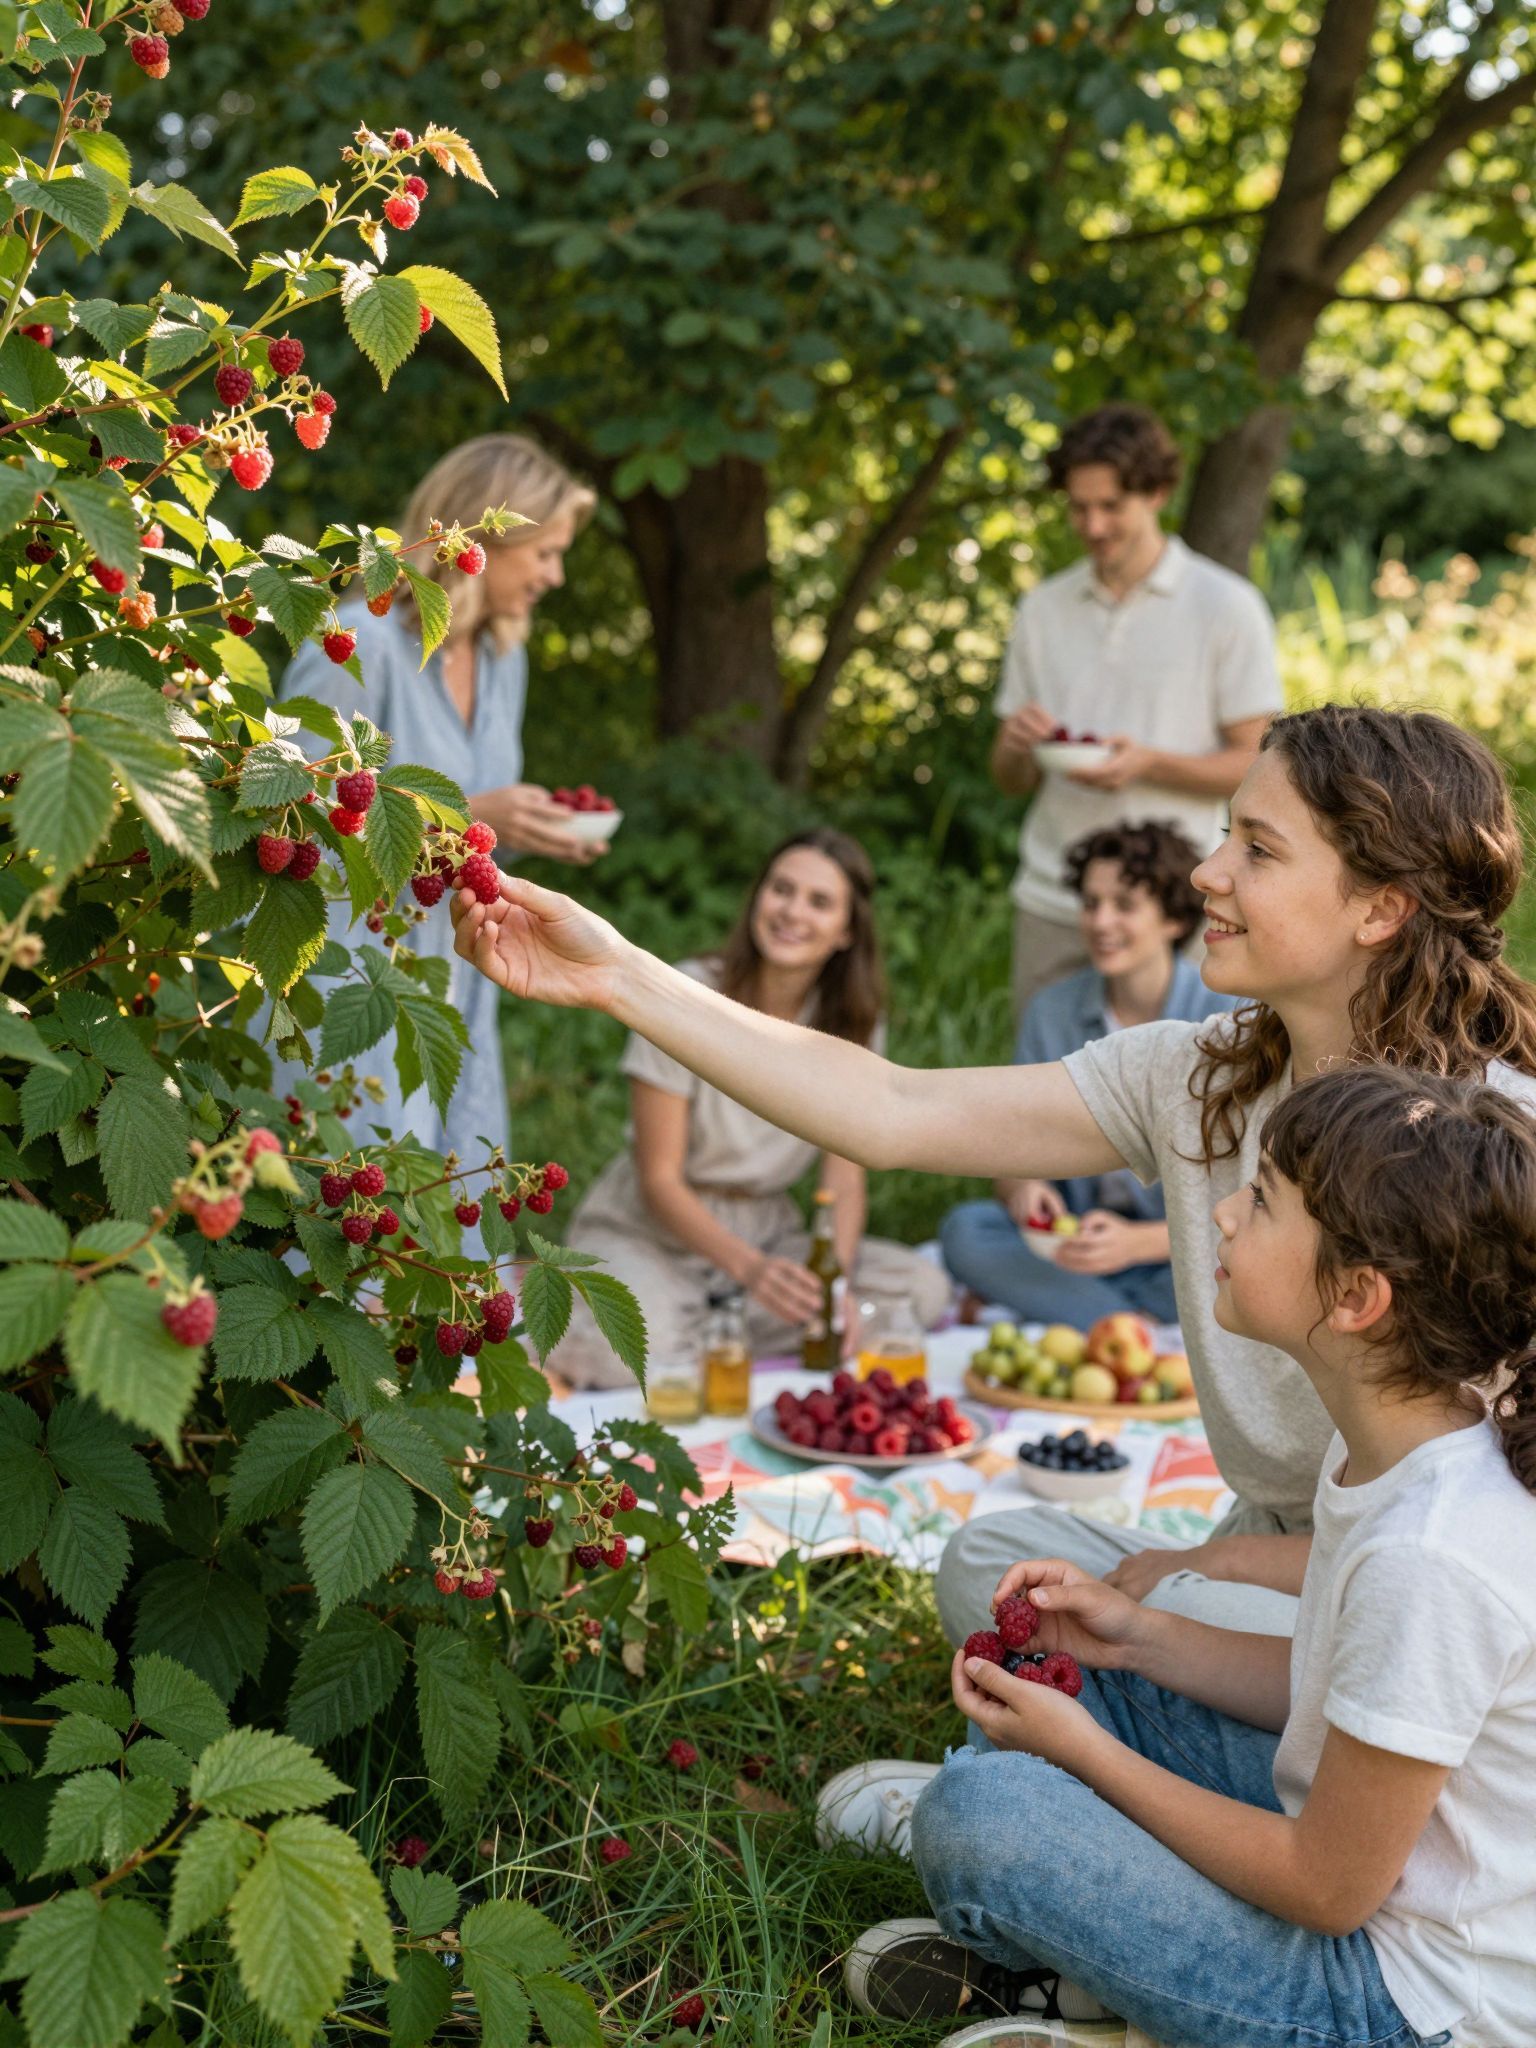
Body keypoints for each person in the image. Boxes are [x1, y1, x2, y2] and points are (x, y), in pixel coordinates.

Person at [447, 701, 1536, 1634]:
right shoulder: (1196, 1076)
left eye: (1257, 847)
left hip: (1413, 1598)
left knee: (1146, 1626)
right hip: (1258, 1558)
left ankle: (1178, 1765)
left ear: (1381, 906)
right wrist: (619, 976)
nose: (1207, 871)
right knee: (992, 1561)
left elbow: (1474, 1532)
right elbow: (892, 1107)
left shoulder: (1488, 1144)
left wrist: (1204, 1574)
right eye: (1224, 835)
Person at [841, 1066, 1536, 2048]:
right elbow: (1319, 1683)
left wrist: (1087, 1754)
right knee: (1074, 1678)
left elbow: (1326, 1889)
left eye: (1264, 1202)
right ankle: (1092, 1972)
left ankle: (1104, 1997)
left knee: (982, 1809)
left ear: (1355, 1297)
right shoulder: (1394, 1441)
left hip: (1399, 2002)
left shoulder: (1434, 1551)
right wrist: (1139, 1640)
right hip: (1361, 1868)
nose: (1222, 1210)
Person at [276, 433, 599, 1163]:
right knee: (352, 1206)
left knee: (449, 1205)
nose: (556, 576)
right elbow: (283, 811)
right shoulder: (360, 643)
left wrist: (530, 830)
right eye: (546, 552)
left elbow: (462, 836)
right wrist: (479, 811)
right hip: (349, 980)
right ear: (480, 538)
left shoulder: (500, 658)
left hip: (456, 982)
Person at [549, 830, 950, 1390]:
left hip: (766, 1229)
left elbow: (844, 1184)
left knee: (919, 1290)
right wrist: (752, 1273)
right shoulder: (687, 991)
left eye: (819, 902)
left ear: (847, 931)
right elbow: (658, 1180)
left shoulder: (852, 1023)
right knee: (625, 1358)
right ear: (758, 897)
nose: (792, 911)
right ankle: (687, 1328)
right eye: (781, 889)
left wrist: (829, 1291)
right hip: (656, 1229)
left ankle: (710, 1330)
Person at [991, 403, 1282, 1021]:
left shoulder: (1225, 606)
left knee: (1193, 1100)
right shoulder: (1043, 609)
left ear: (1156, 492)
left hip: (1181, 904)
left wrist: (1148, 765)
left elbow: (1259, 768)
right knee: (1037, 1098)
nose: (1093, 525)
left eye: (1111, 506)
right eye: (1078, 507)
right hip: (1055, 897)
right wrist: (1016, 745)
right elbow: (1009, 779)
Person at [940, 820, 1232, 1327]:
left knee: (1252, 1263)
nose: (1100, 922)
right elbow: (1011, 1147)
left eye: (1124, 904)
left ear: (1172, 919)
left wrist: (1137, 1244)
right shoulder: (1050, 1011)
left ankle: (1085, 1313)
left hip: (1180, 1257)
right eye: (1091, 903)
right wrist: (1022, 1193)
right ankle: (1127, 1322)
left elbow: (1252, 1195)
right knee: (967, 1231)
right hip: (1075, 1251)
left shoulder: (1226, 1017)